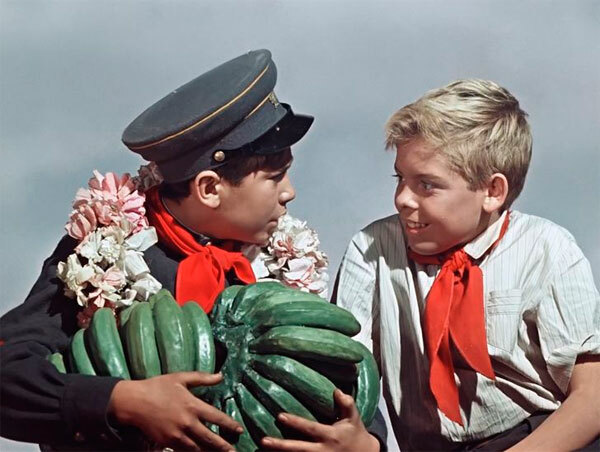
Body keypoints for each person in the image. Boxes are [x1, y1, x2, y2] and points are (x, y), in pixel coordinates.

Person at [0, 49, 384, 451]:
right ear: (210, 188)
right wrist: (123, 401)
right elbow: (9, 373)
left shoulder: (278, 264)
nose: (290, 192)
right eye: (276, 177)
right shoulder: (104, 257)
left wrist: (366, 444)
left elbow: (337, 370)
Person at [333, 79, 600, 451]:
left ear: (492, 192)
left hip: (540, 439)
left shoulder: (546, 249)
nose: (402, 199)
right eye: (400, 178)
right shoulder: (371, 250)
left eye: (427, 185)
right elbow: (344, 373)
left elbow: (592, 397)